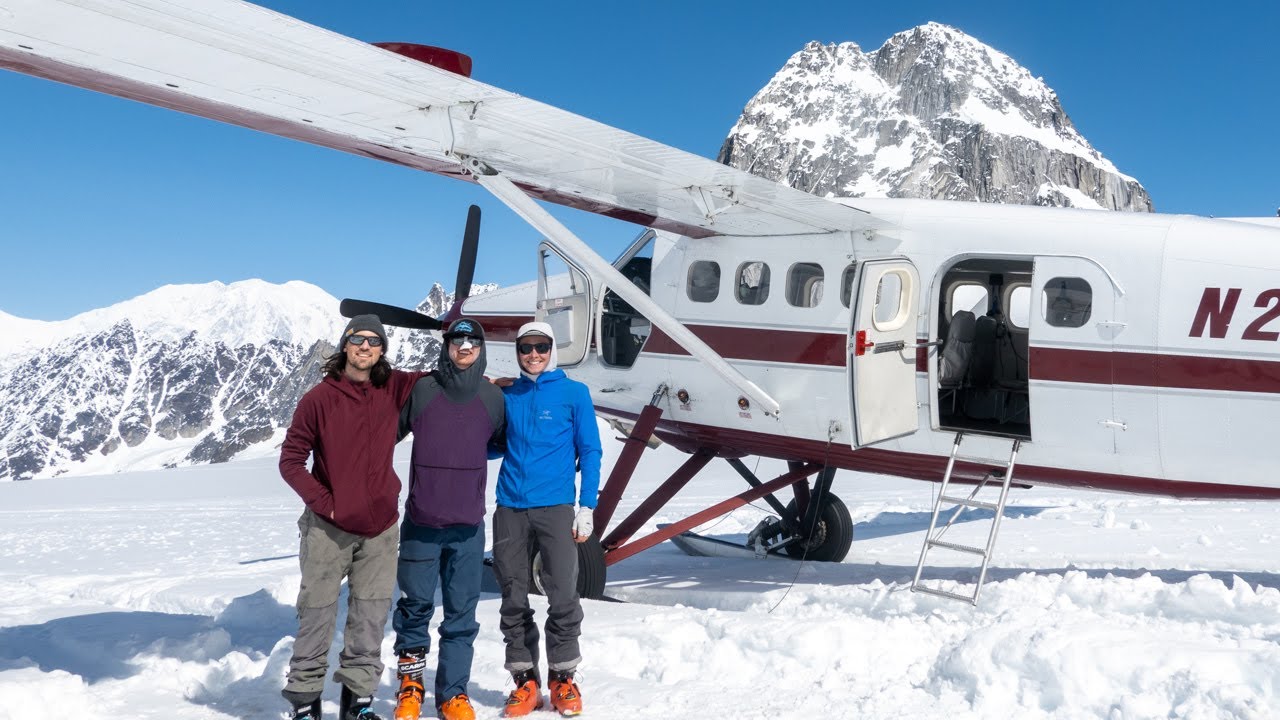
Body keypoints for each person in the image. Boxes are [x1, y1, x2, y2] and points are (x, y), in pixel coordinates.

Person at [279, 314, 426, 720]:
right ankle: (305, 703)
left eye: (374, 341)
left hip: (379, 530)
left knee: (370, 616)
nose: (365, 346)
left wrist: (495, 383)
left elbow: (445, 376)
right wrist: (326, 504)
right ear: (345, 345)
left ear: (382, 350)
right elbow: (291, 461)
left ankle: (358, 703)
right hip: (328, 529)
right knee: (317, 614)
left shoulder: (393, 387)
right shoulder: (318, 399)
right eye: (358, 339)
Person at [392, 319, 505, 720]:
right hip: (422, 523)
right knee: (414, 610)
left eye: (472, 340)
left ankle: (453, 694)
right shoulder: (423, 390)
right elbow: (384, 433)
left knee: (461, 616)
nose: (465, 346)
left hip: (468, 527)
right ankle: (410, 688)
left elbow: (502, 444)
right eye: (457, 339)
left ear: (481, 347)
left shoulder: (493, 398)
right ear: (447, 344)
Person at [491, 322, 602, 718]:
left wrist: (586, 506)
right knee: (513, 594)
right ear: (518, 351)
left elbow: (590, 451)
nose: (533, 354)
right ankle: (526, 681)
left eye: (541, 347)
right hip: (510, 505)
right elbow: (492, 447)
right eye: (526, 348)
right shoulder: (508, 394)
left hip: (555, 506)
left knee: (563, 592)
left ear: (552, 349)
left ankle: (563, 677)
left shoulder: (574, 394)